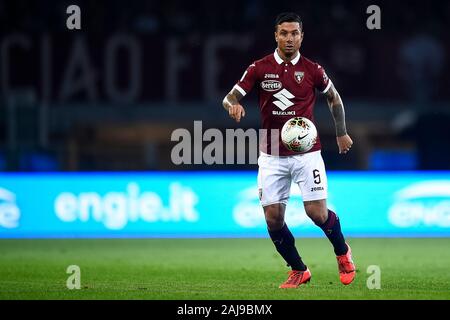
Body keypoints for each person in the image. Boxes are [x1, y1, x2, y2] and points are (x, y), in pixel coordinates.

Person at [222, 12, 355, 288]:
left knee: (316, 213)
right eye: (284, 33)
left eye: (295, 33)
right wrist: (232, 105)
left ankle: (342, 252)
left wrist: (341, 131)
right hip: (271, 153)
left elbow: (333, 97)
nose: (289, 38)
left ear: (302, 36)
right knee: (272, 219)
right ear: (276, 35)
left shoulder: (312, 70)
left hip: (307, 153)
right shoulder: (259, 68)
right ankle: (299, 269)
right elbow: (230, 96)